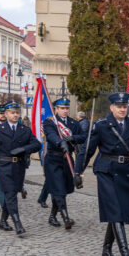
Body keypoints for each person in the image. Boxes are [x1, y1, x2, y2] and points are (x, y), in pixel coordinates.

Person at [75, 92, 129, 256]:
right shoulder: (102, 125)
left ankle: (106, 249)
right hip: (107, 171)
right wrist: (78, 171)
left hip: (128, 172)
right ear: (112, 107)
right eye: (119, 106)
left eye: (124, 106)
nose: (122, 109)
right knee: (115, 211)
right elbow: (88, 150)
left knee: (121, 212)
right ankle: (126, 255)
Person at [0, 102, 42, 234]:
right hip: (4, 166)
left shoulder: (25, 130)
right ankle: (18, 223)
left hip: (19, 167)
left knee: (11, 194)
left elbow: (37, 145)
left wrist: (23, 149)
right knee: (11, 194)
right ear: (6, 114)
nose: (15, 115)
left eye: (17, 112)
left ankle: (2, 221)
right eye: (12, 112)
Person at [42, 98, 86, 229]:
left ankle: (52, 216)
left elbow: (83, 136)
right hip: (53, 159)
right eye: (62, 108)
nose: (65, 111)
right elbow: (50, 135)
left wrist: (73, 138)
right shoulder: (50, 122)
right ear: (56, 109)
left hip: (67, 160)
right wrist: (60, 142)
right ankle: (66, 217)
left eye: (66, 108)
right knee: (59, 188)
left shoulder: (73, 123)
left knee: (63, 189)